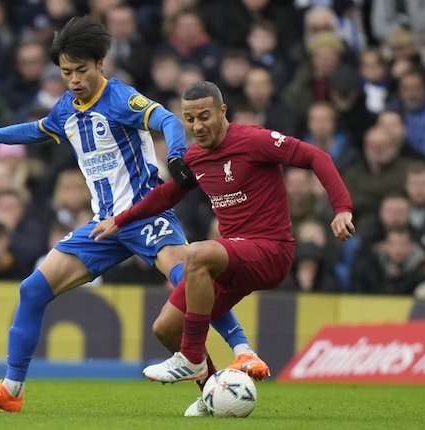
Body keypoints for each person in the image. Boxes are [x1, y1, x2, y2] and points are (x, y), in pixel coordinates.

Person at [0, 16, 259, 413]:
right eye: (66, 72)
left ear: (100, 65)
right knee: (32, 290)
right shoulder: (65, 110)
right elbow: (33, 130)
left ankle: (243, 351)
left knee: (187, 278)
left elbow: (166, 119)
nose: (74, 79)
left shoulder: (120, 98)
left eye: (81, 70)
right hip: (103, 226)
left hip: (144, 216)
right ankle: (11, 389)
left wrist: (176, 155)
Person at [90, 81, 354, 415]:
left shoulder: (254, 140)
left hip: (270, 251)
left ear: (222, 112)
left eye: (204, 117)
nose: (197, 126)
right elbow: (167, 195)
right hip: (232, 260)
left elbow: (315, 156)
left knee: (196, 253)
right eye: (190, 119)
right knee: (165, 328)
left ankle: (189, 355)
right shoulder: (195, 157)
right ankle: (212, 395)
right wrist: (121, 219)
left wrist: (342, 207)